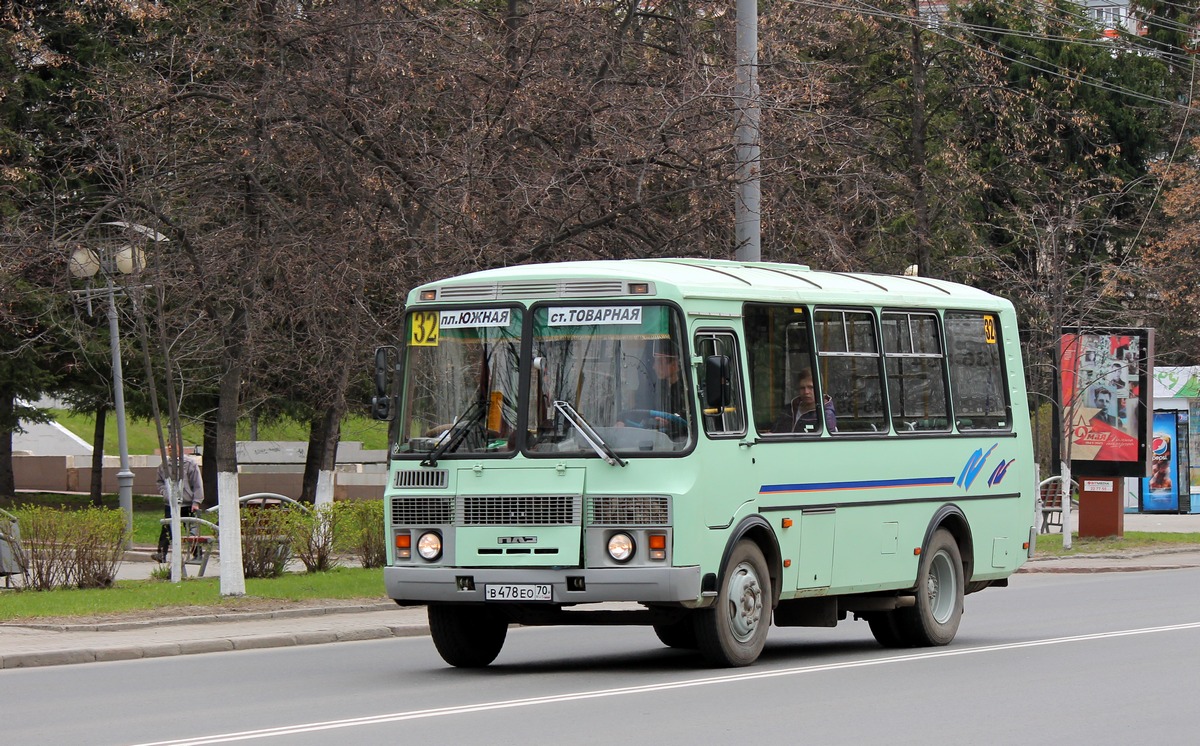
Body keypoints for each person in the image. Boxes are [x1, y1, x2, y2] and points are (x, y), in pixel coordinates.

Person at [155, 443, 204, 563]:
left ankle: (197, 554)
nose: (170, 448)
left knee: (191, 529)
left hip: (187, 503)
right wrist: (165, 493)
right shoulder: (164, 466)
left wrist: (196, 501)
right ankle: (161, 553)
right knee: (167, 528)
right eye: (168, 445)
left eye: (174, 445)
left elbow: (197, 484)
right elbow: (160, 482)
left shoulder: (189, 464)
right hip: (171, 503)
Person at [772, 368, 837, 433]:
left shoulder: (825, 415)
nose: (806, 392)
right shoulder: (789, 409)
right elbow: (775, 432)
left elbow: (824, 442)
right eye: (802, 388)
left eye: (811, 387)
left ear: (820, 388)